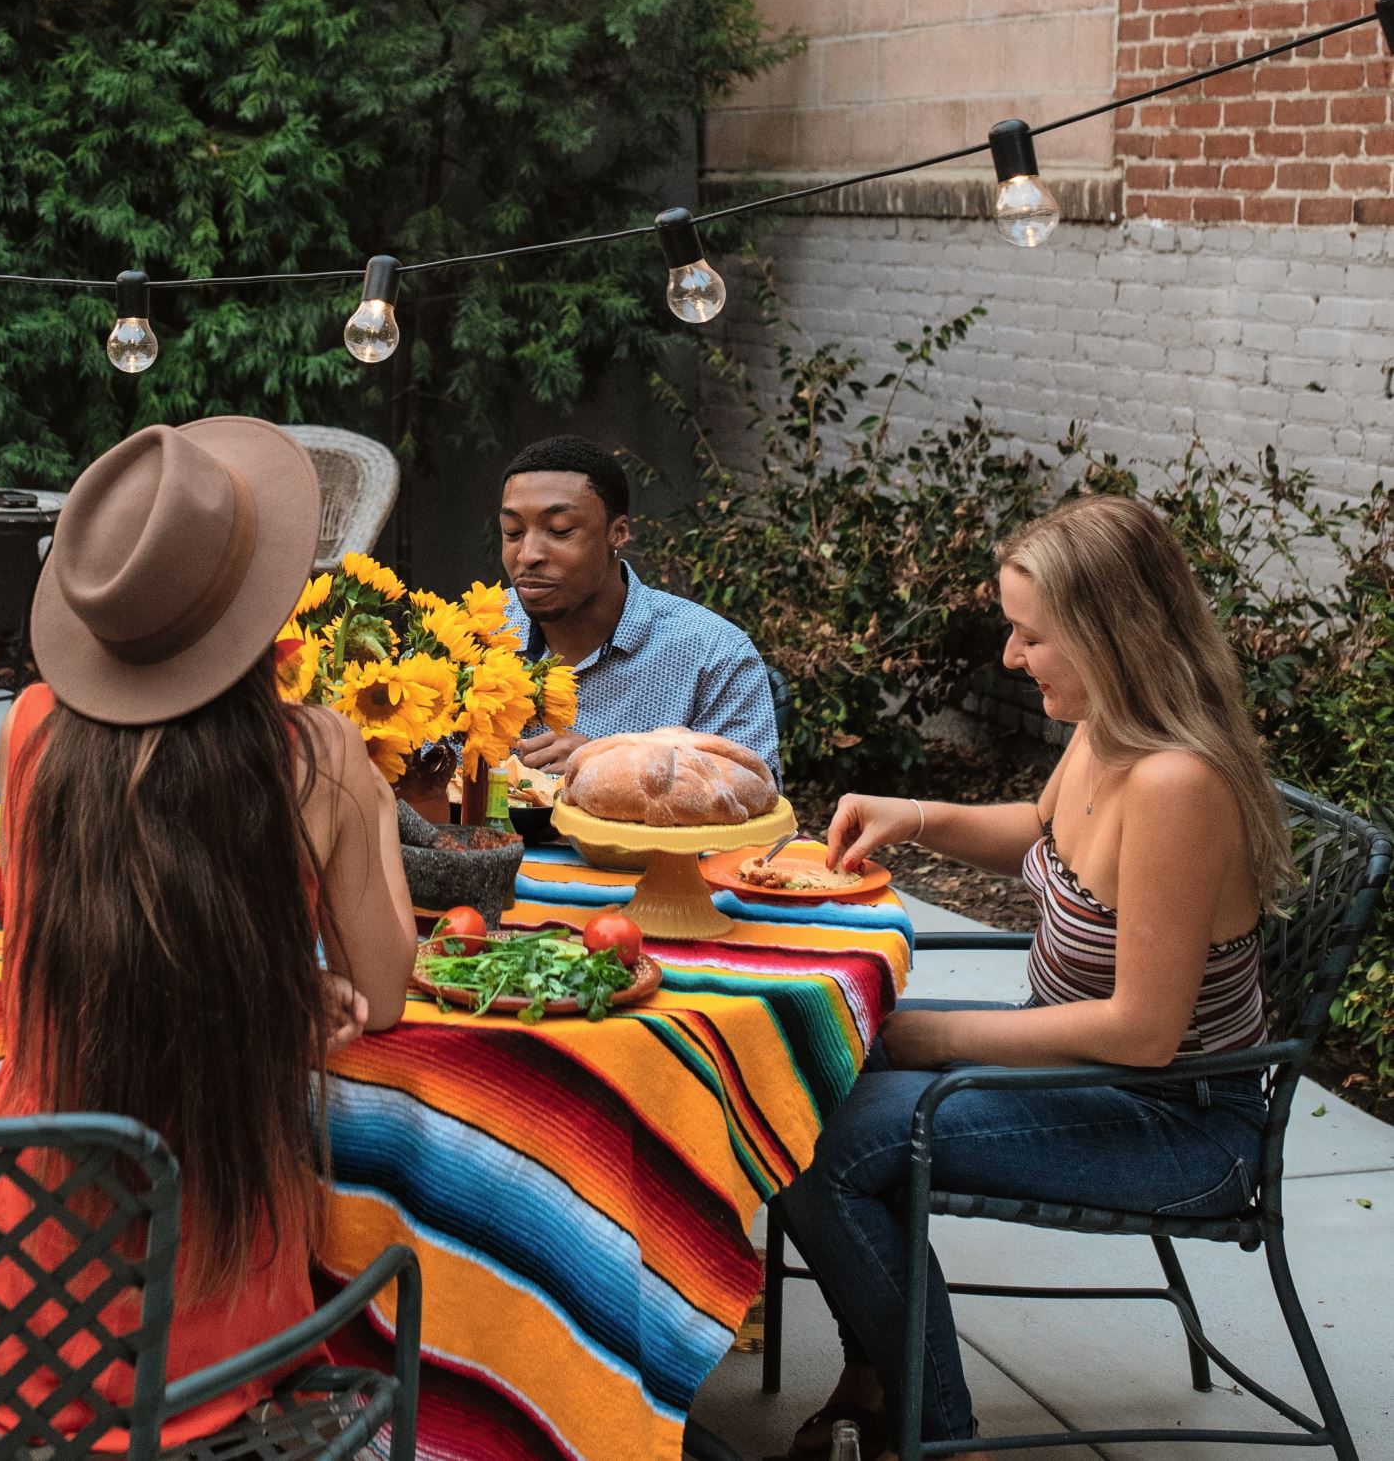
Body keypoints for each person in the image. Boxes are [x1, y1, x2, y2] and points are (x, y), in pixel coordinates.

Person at [0, 419, 416, 1447]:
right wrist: (365, 802)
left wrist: (270, 992)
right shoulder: (318, 757)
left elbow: (104, 941)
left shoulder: (33, 729)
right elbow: (385, 992)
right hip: (204, 1320)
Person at [771, 494, 1288, 1461]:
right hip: (1081, 1065)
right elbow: (1042, 835)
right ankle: (877, 1376)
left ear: (1111, 635)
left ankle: (931, 1433)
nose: (1012, 658)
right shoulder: (1107, 728)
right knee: (798, 1066)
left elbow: (1143, 1032)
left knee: (819, 1145)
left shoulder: (1178, 783)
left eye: (1029, 636)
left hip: (1177, 1119)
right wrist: (914, 813)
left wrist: (934, 1037)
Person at [497, 433, 779, 778]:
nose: (528, 554)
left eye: (559, 530)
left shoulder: (714, 655)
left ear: (617, 533)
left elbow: (756, 796)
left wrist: (611, 766)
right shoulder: (473, 635)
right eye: (512, 532)